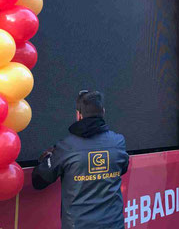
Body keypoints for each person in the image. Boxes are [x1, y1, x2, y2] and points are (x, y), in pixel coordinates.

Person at [32, 90, 129, 229]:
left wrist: (48, 157)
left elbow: (39, 180)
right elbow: (122, 169)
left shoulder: (66, 147)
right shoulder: (118, 142)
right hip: (114, 224)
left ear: (78, 115)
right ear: (103, 112)